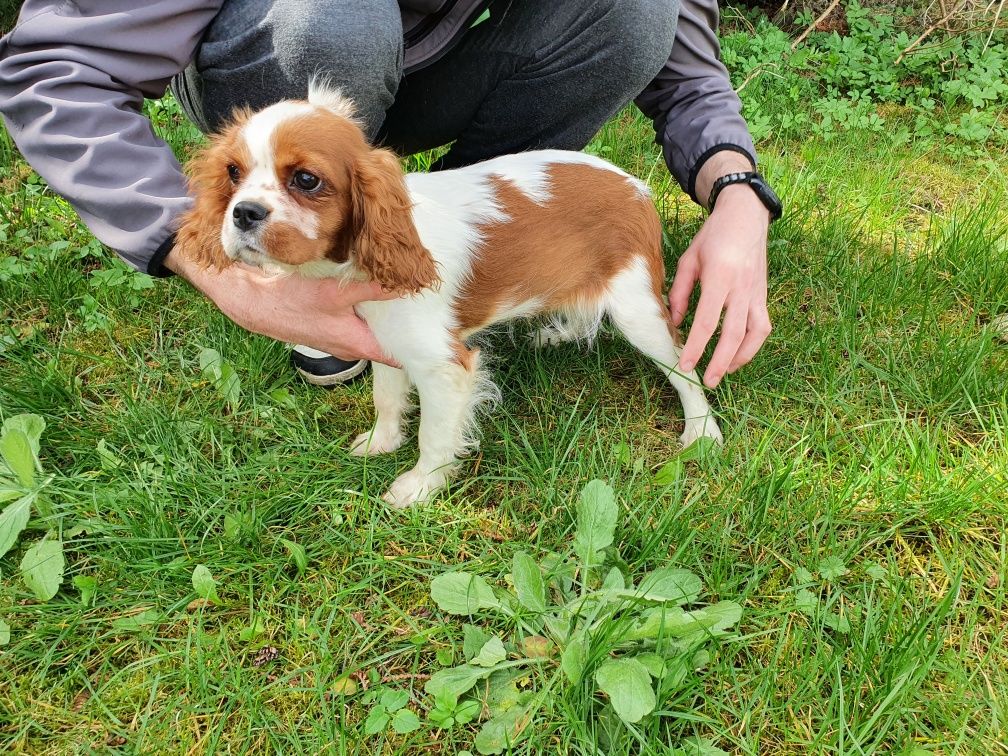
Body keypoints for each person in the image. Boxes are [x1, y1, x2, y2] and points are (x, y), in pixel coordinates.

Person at [0, 0, 780, 389]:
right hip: (288, 55)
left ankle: (464, 263)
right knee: (337, 19)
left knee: (635, 10)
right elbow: (56, 66)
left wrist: (737, 193)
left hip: (423, 68)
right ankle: (305, 287)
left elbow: (682, 59)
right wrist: (219, 271)